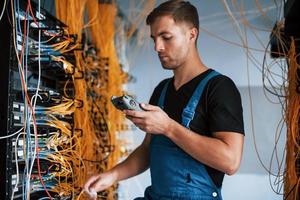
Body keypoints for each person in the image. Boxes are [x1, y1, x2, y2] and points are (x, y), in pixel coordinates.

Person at [84, 1, 245, 199]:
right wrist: (112, 175)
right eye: (154, 38)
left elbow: (230, 161)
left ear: (191, 35)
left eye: (166, 37)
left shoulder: (219, 88)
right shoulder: (162, 90)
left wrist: (169, 127)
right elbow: (147, 149)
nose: (157, 47)